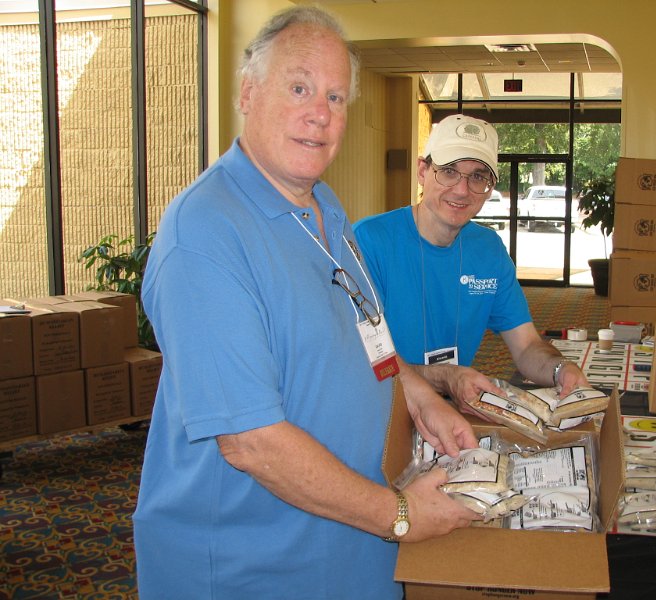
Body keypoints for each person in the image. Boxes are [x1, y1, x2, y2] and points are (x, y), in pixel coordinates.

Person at [132, 8, 480, 600]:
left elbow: (367, 337)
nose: (320, 113)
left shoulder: (326, 210)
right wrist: (398, 515)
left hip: (348, 549)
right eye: (299, 88)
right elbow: (251, 441)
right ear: (248, 91)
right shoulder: (205, 235)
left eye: (336, 97)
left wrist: (419, 399)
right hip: (254, 568)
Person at [353, 114, 589, 415]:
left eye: (477, 176)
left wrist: (561, 369)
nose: (462, 190)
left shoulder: (488, 250)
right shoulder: (369, 241)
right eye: (449, 172)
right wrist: (444, 377)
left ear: (489, 187)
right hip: (379, 410)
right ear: (423, 171)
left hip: (449, 409)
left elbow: (527, 346)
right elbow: (362, 358)